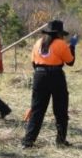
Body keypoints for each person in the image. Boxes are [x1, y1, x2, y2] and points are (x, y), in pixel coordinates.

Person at [21, 20, 76, 149]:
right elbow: (70, 62)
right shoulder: (61, 44)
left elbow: (34, 63)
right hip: (56, 76)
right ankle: (61, 141)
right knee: (60, 110)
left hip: (39, 76)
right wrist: (72, 46)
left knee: (37, 110)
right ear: (59, 33)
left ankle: (28, 141)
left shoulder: (37, 43)